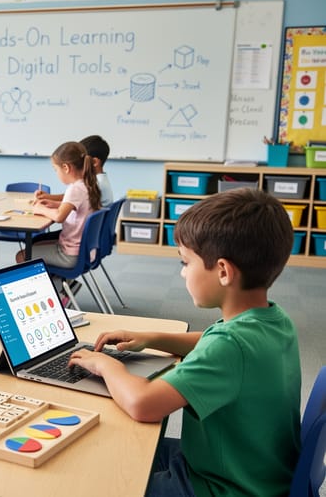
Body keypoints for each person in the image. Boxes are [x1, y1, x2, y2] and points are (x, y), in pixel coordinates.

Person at [68, 188, 300, 497]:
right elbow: (211, 340)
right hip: (248, 469)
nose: (181, 273)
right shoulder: (273, 320)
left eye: (186, 262)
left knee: (97, 479)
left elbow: (143, 404)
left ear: (223, 272)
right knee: (115, 446)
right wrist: (153, 338)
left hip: (221, 487)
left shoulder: (230, 346)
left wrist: (105, 364)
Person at [17, 141, 102, 273]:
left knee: (22, 256)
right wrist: (52, 204)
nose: (56, 173)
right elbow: (76, 208)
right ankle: (59, 285)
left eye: (56, 169)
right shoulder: (87, 184)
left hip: (70, 254)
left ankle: (50, 289)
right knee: (35, 245)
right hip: (85, 251)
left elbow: (59, 217)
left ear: (66, 168)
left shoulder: (74, 189)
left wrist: (40, 209)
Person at [80, 134, 113, 206]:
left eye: (80, 160)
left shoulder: (95, 185)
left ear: (95, 162)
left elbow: (72, 199)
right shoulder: (100, 180)